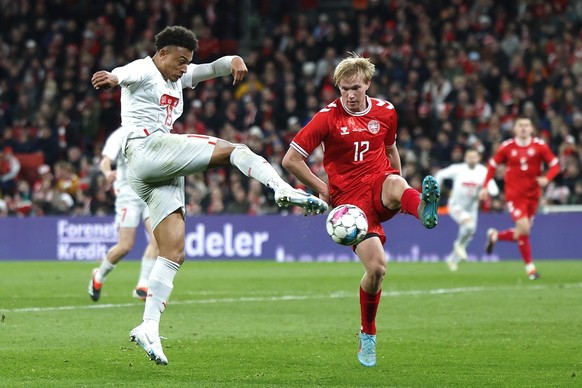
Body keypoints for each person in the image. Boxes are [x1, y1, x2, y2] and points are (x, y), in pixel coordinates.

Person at [91, 26, 327, 366]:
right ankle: (282, 188)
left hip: (157, 169)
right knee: (234, 149)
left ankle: (148, 327)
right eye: (181, 61)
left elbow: (213, 68)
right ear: (163, 53)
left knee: (173, 251)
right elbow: (121, 75)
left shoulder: (179, 77)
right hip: (146, 148)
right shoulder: (143, 69)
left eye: (188, 62)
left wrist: (234, 59)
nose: (185, 68)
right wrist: (111, 79)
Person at [281, 53, 440, 367]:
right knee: (377, 270)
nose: (350, 95)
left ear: (368, 84)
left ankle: (422, 209)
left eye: (355, 88)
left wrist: (398, 177)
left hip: (380, 182)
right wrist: (323, 188)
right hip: (350, 202)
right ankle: (368, 334)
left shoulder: (386, 112)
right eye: (344, 89)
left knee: (396, 183)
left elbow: (390, 148)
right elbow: (291, 160)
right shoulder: (327, 118)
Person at [479, 117, 560, 280]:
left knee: (522, 232)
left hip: (533, 195)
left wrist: (547, 178)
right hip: (514, 195)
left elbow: (555, 165)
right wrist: (485, 186)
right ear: (515, 129)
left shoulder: (540, 146)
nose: (523, 128)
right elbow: (492, 165)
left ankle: (495, 236)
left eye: (527, 125)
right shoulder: (507, 147)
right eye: (520, 125)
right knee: (524, 228)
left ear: (532, 129)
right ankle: (531, 269)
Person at [87, 126, 159, 302]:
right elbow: (105, 161)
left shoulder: (154, 132)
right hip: (128, 196)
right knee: (125, 246)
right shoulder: (120, 134)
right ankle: (99, 275)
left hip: (149, 194)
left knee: (158, 239)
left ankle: (142, 285)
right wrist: (107, 173)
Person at [435, 149, 499, 271]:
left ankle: (452, 259)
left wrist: (485, 192)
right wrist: (436, 190)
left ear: (478, 158)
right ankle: (458, 245)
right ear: (465, 158)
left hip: (472, 208)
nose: (471, 160)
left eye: (474, 157)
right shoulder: (458, 169)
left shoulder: (483, 171)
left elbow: (494, 189)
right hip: (455, 205)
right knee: (468, 226)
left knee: (469, 233)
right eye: (469, 157)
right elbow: (440, 174)